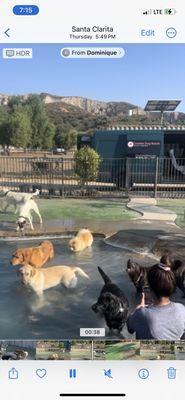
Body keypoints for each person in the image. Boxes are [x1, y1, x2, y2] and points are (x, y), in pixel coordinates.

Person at [127, 262, 185, 340]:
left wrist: (137, 309)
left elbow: (130, 328)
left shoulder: (142, 314)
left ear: (151, 288)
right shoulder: (181, 309)